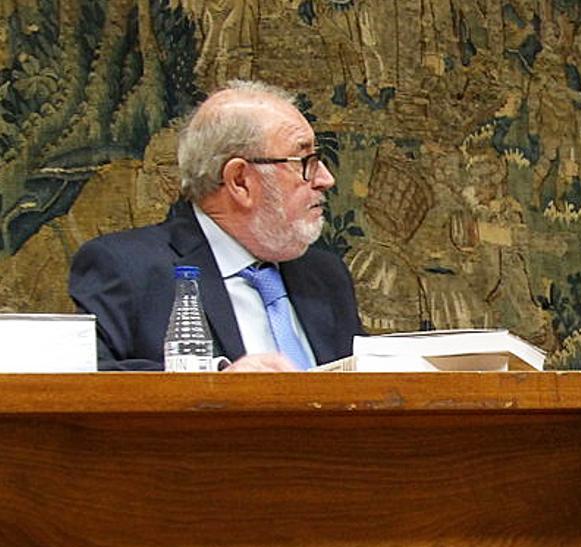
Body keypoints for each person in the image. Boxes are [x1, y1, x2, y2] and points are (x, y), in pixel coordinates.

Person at [69, 80, 364, 371]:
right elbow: (85, 381)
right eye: (304, 161)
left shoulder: (325, 277)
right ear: (240, 181)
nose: (326, 178)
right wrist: (218, 385)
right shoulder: (127, 268)